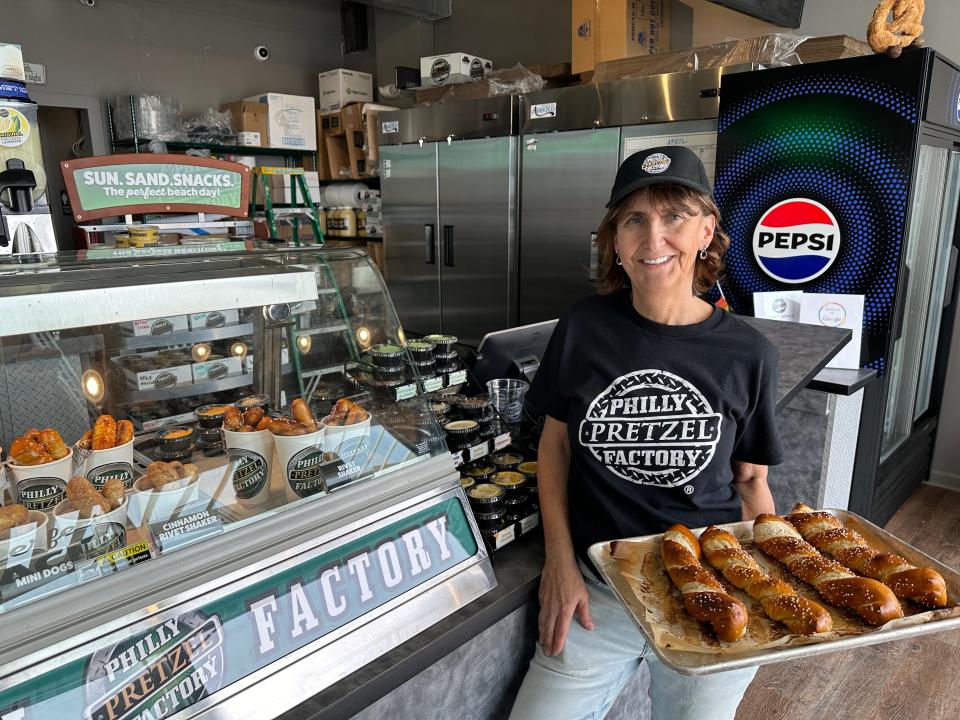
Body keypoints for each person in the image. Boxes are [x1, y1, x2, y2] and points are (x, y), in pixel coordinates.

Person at [508, 146, 783, 720]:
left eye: (674, 217)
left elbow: (752, 482)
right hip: (597, 592)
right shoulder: (583, 327)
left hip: (709, 588)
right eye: (634, 219)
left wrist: (770, 593)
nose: (653, 238)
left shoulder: (748, 353)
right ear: (614, 238)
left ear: (706, 230)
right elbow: (554, 446)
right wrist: (560, 565)